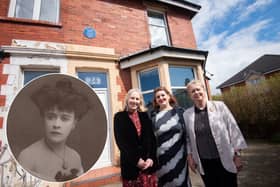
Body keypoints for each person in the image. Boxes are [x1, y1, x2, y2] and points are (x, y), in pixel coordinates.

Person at [18, 78, 90, 182]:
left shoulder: (75, 156)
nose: (56, 125)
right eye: (51, 117)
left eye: (64, 118)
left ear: (74, 123)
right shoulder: (28, 156)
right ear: (43, 118)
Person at [183, 79, 247, 187]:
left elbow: (233, 129)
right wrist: (190, 158)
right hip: (204, 162)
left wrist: (237, 156)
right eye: (192, 91)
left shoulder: (220, 106)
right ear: (190, 95)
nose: (196, 93)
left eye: (198, 89)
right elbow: (187, 139)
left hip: (225, 158)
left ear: (204, 90)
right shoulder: (187, 114)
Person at [114, 88, 158, 187]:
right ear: (127, 99)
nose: (134, 101)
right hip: (131, 166)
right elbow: (121, 142)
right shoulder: (119, 117)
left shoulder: (145, 116)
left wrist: (151, 158)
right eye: (132, 98)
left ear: (140, 101)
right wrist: (136, 160)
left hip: (148, 166)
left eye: (137, 99)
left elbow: (152, 139)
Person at [152, 86, 191, 187]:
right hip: (161, 158)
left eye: (163, 95)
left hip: (179, 156)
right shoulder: (154, 117)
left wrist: (190, 154)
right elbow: (151, 139)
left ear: (169, 96)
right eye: (158, 97)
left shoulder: (180, 112)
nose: (161, 98)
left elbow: (188, 135)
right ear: (156, 101)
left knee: (180, 182)